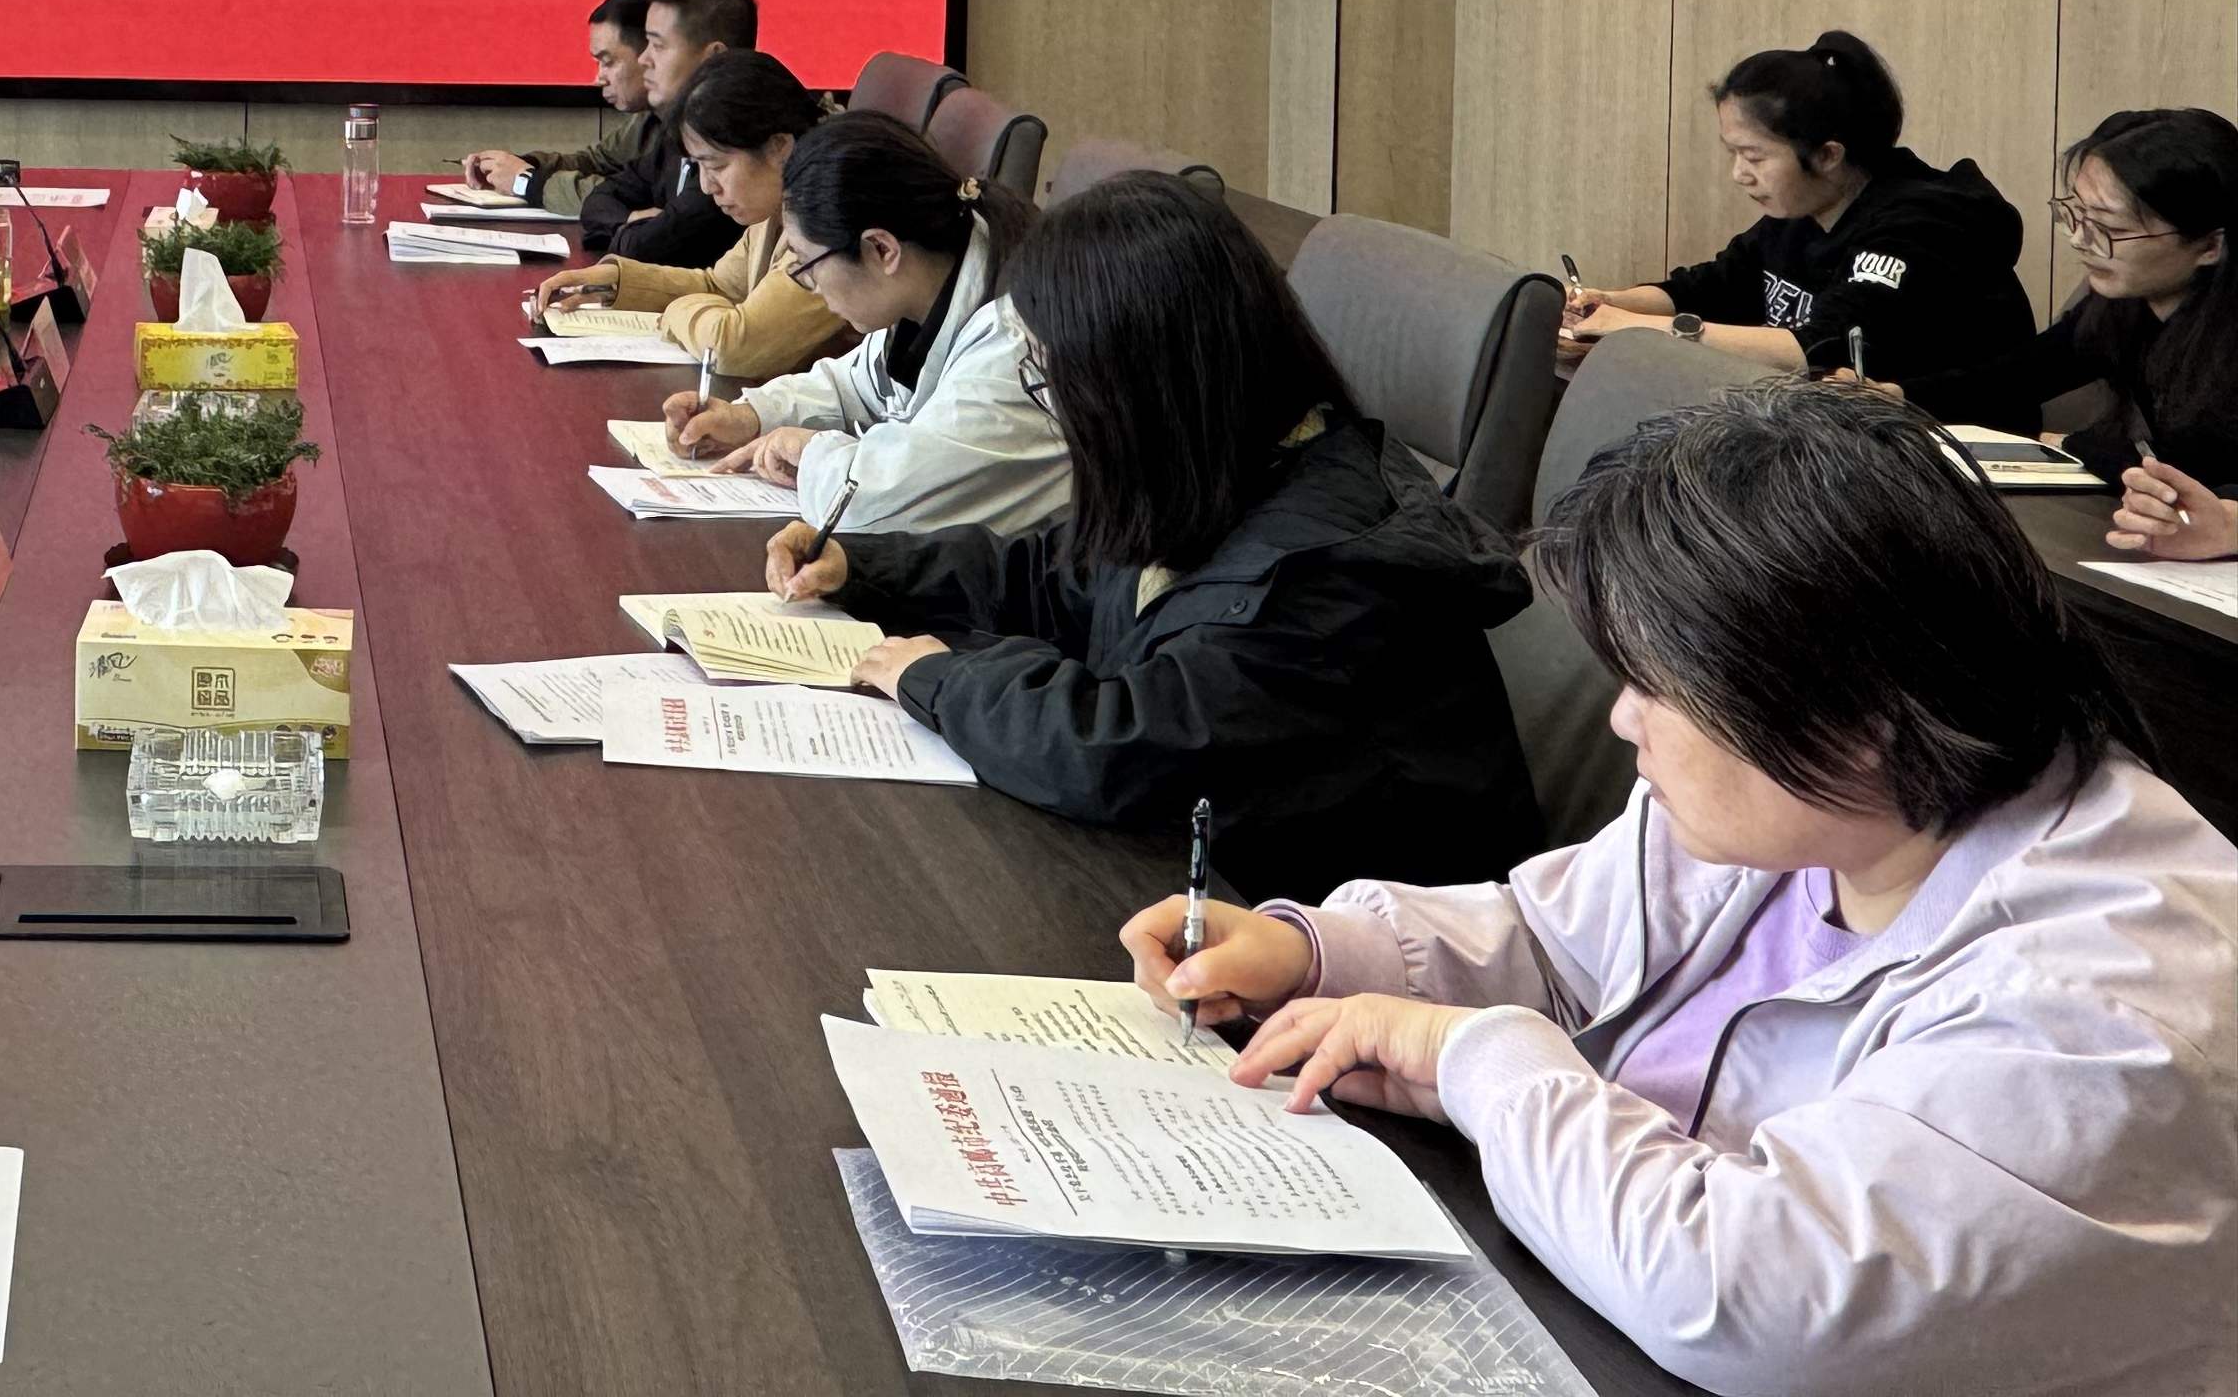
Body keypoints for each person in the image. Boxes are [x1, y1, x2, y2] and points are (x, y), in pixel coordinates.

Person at [1125, 389, 2238, 1397]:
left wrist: (1479, 1061)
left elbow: (1757, 1299)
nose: (1622, 719)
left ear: (1857, 713)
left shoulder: (2101, 1007)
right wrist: (1321, 954)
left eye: (1657, 686)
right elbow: (1562, 946)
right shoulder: (1808, 803)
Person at [778, 171, 1539, 899]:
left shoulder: (1321, 575)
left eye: (1056, 382)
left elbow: (1115, 747)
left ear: (1139, 382)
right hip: (1216, 895)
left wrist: (939, 678)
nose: (1058, 409)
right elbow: (1060, 576)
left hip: (1337, 953)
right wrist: (865, 564)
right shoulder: (1231, 468)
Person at [677, 110, 1069, 547]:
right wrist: (752, 416)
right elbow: (855, 385)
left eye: (806, 266)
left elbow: (877, 507)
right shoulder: (933, 283)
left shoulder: (1013, 346)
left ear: (881, 249)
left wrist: (810, 453)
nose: (809, 285)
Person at [1562, 29, 2031, 391]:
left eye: (1754, 156)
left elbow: (1820, 348)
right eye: (1733, 153)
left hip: (1945, 447)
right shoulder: (1804, 210)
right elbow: (1709, 288)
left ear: (1827, 155)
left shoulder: (1918, 227)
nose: (1739, 174)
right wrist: (1609, 303)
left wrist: (1631, 329)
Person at [1906, 107, 2238, 559]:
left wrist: (2074, 444)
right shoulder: (2124, 305)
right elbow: (2021, 373)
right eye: (2077, 214)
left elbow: (2184, 466)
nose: (2081, 240)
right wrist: (1897, 395)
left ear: (2210, 245)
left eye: (2110, 227)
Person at [526, 50, 844, 385]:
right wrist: (614, 282)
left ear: (779, 146)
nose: (707, 187)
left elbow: (734, 346)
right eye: (698, 167)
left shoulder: (829, 218)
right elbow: (720, 287)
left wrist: (673, 314)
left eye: (717, 165)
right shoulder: (775, 203)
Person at [460, 0, 656, 253]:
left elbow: (621, 199)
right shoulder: (649, 118)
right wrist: (519, 166)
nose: (598, 78)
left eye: (608, 62)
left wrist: (526, 182)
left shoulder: (691, 125)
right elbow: (597, 163)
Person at [609, 0, 754, 267]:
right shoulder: (676, 129)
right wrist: (631, 221)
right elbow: (601, 198)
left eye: (658, 46)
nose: (643, 59)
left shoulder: (739, 138)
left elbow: (646, 249)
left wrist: (632, 230)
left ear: (714, 56)